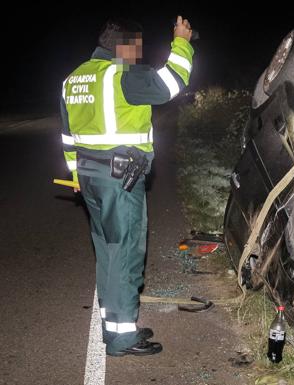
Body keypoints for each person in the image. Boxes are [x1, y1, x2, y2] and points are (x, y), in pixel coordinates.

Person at [59, 16, 194, 356]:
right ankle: (121, 338)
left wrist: (75, 174)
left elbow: (66, 136)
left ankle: (115, 326)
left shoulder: (74, 79)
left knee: (107, 252)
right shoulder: (121, 75)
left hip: (90, 180)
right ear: (123, 46)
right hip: (119, 181)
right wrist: (182, 42)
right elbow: (171, 83)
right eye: (136, 47)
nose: (138, 55)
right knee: (125, 254)